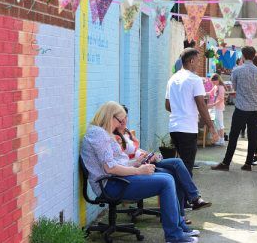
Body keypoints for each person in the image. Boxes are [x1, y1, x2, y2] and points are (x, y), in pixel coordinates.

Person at [80, 101, 198, 243]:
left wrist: (135, 163)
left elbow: (114, 164)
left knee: (168, 176)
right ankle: (174, 236)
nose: (121, 124)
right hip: (110, 185)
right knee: (166, 181)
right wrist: (139, 171)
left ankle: (179, 229)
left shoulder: (102, 133)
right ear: (110, 116)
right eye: (120, 121)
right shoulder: (98, 134)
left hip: (117, 180)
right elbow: (110, 168)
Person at [113, 105, 212, 223]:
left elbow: (137, 150)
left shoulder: (127, 132)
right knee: (176, 174)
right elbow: (121, 161)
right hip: (138, 167)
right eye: (121, 119)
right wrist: (138, 161)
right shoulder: (114, 138)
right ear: (114, 119)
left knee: (178, 163)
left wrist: (150, 155)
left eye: (126, 117)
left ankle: (190, 203)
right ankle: (187, 208)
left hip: (147, 161)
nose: (124, 121)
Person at [211, 46, 257, 172]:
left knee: (234, 135)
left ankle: (226, 163)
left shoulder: (237, 70)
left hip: (241, 107)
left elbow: (234, 87)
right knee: (252, 136)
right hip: (254, 108)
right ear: (253, 56)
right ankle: (248, 164)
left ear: (243, 56)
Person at [166, 48, 218, 176]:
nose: (199, 64)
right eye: (198, 61)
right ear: (191, 61)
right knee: (186, 169)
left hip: (174, 128)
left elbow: (167, 105)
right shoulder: (195, 79)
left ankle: (180, 195)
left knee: (181, 166)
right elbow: (201, 105)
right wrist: (211, 126)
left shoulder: (172, 79)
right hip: (187, 128)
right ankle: (184, 196)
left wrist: (181, 109)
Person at [207, 73, 226, 146]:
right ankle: (220, 139)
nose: (213, 83)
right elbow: (210, 93)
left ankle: (222, 140)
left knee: (220, 124)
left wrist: (212, 105)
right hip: (215, 107)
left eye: (214, 82)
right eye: (212, 82)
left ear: (218, 80)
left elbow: (221, 99)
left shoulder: (221, 87)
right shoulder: (216, 86)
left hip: (219, 107)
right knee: (217, 123)